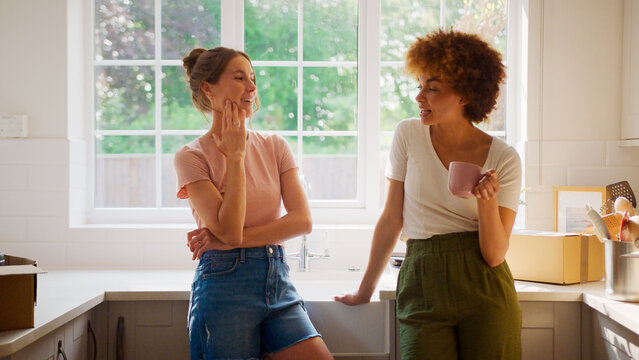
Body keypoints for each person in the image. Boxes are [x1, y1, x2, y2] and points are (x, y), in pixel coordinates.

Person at [335, 29, 522, 359]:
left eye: (432, 89)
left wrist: (487, 201)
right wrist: (364, 291)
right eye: (419, 85)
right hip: (422, 278)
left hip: (485, 287)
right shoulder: (408, 134)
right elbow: (391, 219)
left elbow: (494, 255)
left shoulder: (504, 158)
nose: (419, 97)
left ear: (465, 94)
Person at [175, 47, 333, 360]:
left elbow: (302, 221)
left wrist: (219, 237)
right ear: (208, 87)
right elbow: (230, 233)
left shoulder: (275, 146)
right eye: (239, 78)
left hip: (277, 278)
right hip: (223, 285)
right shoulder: (191, 157)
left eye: (253, 79)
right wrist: (235, 156)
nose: (251, 87)